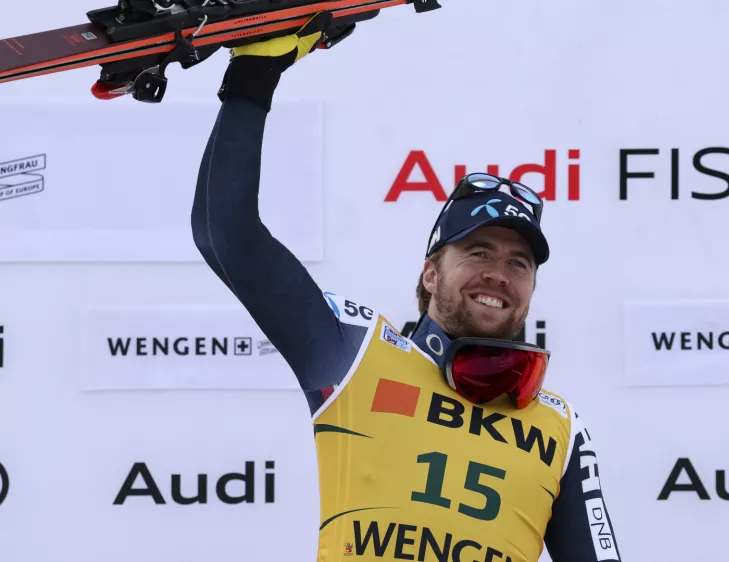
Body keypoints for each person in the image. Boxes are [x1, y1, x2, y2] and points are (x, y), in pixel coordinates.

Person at [190, 12, 622, 562]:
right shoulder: (354, 351)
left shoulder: (560, 428)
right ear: (430, 273)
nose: (498, 274)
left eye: (519, 263)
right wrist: (255, 74)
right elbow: (225, 234)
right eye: (478, 252)